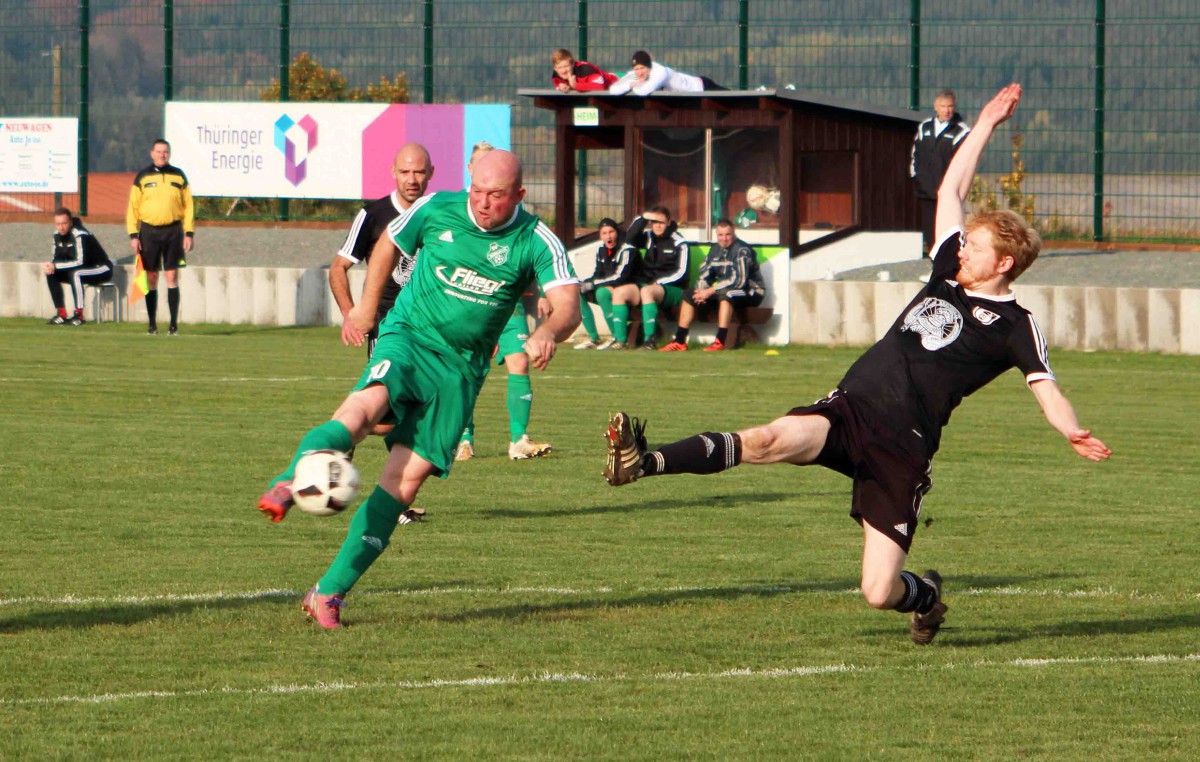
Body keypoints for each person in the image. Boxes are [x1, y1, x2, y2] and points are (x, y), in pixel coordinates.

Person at [603, 84, 1111, 646]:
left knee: (877, 591)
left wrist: (1070, 428)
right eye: (963, 240)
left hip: (902, 450)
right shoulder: (947, 267)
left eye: (975, 245)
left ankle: (926, 596)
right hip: (852, 409)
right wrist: (986, 123)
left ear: (1005, 261)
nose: (961, 247)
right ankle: (643, 462)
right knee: (768, 439)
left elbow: (1046, 385)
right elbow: (952, 188)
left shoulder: (1016, 326)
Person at [257, 150, 580, 629]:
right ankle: (289, 478)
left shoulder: (535, 239)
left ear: (519, 195)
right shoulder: (437, 208)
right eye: (478, 192)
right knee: (367, 405)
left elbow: (567, 305)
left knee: (404, 483)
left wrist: (547, 333)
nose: (484, 203)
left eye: (496, 195)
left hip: (460, 371)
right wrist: (366, 308)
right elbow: (388, 242)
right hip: (409, 335)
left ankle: (328, 592)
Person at [456, 142, 556, 461]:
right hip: (468, 306)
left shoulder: (515, 215)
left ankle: (519, 440)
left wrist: (540, 295)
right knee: (466, 370)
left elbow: (529, 259)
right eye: (480, 163)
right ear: (471, 170)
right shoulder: (453, 212)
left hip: (508, 307)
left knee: (520, 361)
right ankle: (463, 438)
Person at [330, 143, 434, 360]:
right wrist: (351, 315)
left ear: (431, 173)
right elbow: (338, 268)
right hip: (387, 325)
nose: (412, 180)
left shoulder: (441, 216)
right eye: (405, 172)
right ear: (393, 172)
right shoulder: (372, 215)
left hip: (433, 326)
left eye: (419, 172)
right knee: (383, 392)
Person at [659, 218, 764, 352]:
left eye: (728, 235)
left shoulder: (743, 250)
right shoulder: (714, 250)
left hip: (751, 291)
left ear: (734, 233)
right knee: (689, 294)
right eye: (720, 235)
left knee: (727, 294)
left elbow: (739, 281)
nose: (724, 239)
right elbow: (704, 274)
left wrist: (710, 291)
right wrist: (701, 292)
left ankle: (720, 341)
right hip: (724, 290)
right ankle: (680, 341)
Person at [125, 138, 194, 335]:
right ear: (152, 153)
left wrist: (189, 233)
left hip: (173, 231)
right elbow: (133, 208)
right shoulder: (142, 177)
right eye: (158, 151)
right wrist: (133, 234)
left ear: (169, 154)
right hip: (149, 232)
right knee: (151, 277)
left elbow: (188, 206)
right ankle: (152, 324)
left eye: (165, 152)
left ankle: (173, 325)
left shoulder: (179, 176)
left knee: (172, 276)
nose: (162, 155)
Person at [911, 89, 970, 255]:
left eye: (950, 106)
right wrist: (917, 178)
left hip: (948, 192)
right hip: (926, 189)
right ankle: (933, 263)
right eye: (943, 106)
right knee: (930, 230)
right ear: (935, 107)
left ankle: (950, 261)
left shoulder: (961, 131)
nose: (946, 110)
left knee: (949, 229)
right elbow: (915, 154)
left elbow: (963, 162)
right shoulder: (925, 128)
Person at [627, 206, 689, 350]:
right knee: (620, 292)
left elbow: (682, 272)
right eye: (654, 222)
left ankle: (650, 340)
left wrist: (659, 282)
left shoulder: (679, 241)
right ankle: (619, 340)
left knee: (647, 291)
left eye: (661, 222)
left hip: (674, 289)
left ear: (668, 222)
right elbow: (630, 238)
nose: (658, 225)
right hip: (648, 286)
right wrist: (643, 217)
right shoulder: (649, 237)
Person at [574, 217, 639, 350]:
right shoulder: (601, 250)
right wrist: (585, 283)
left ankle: (618, 338)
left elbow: (621, 277)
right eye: (604, 233)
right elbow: (598, 274)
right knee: (578, 292)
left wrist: (593, 284)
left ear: (617, 232)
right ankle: (594, 338)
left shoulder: (627, 249)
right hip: (610, 288)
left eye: (611, 232)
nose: (608, 236)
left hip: (630, 289)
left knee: (601, 292)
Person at [43, 207, 114, 325]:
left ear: (70, 222)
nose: (61, 227)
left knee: (76, 273)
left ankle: (79, 315)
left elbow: (80, 261)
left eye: (64, 223)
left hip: (101, 268)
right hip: (81, 270)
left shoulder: (80, 235)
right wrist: (51, 266)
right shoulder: (56, 235)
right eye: (58, 224)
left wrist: (56, 266)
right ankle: (61, 314)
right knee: (51, 273)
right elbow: (56, 259)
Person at [608, 50, 723, 96]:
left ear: (649, 66)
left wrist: (637, 86)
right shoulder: (635, 75)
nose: (639, 72)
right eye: (636, 69)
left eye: (642, 68)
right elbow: (613, 89)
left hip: (703, 87)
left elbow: (643, 91)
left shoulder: (660, 72)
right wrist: (630, 84)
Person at [551, 48, 618, 93]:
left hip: (616, 81)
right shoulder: (556, 76)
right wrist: (563, 88)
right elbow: (559, 87)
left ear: (573, 64)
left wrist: (575, 85)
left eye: (566, 66)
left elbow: (600, 86)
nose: (563, 71)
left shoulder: (585, 69)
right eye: (559, 67)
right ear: (555, 68)